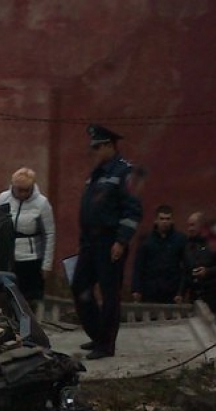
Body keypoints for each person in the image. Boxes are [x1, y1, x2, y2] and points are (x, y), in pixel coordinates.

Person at [70, 124, 143, 360]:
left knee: (110, 294)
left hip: (110, 242)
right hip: (90, 242)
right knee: (80, 286)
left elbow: (132, 211)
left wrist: (121, 241)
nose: (94, 152)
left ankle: (106, 344)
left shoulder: (124, 172)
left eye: (98, 147)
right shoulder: (97, 173)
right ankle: (97, 334)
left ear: (110, 145)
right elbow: (88, 210)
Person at [0, 167, 56, 303]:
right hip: (6, 256)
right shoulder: (4, 198)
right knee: (4, 296)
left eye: (26, 190)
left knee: (28, 299)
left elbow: (49, 234)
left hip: (31, 259)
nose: (22, 193)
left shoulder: (42, 203)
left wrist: (47, 265)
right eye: (19, 189)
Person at [179, 213, 216, 318]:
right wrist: (181, 293)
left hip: (211, 297)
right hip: (194, 297)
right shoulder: (188, 245)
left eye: (192, 225)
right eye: (188, 225)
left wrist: (208, 271)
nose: (190, 229)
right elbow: (185, 271)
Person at [131, 204, 187, 304]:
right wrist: (136, 289)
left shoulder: (180, 240)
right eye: (161, 218)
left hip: (171, 291)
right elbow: (138, 266)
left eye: (167, 219)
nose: (165, 222)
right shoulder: (146, 240)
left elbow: (185, 267)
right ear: (156, 220)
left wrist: (180, 292)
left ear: (172, 220)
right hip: (149, 290)